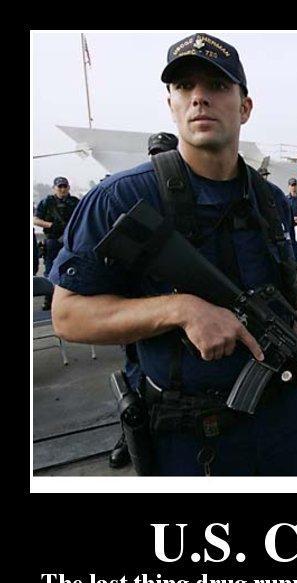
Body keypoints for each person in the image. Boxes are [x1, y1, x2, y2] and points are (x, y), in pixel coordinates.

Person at [49, 32, 297, 476]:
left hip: (283, 424)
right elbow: (67, 316)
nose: (199, 98)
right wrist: (180, 310)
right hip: (191, 438)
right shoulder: (121, 198)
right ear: (171, 103)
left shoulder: (270, 200)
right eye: (185, 86)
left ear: (245, 107)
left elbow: (292, 287)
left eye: (217, 85)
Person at [109, 131, 180, 469]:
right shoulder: (132, 195)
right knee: (135, 373)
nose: (157, 160)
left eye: (163, 154)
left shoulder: (184, 198)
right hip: (142, 303)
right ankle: (130, 435)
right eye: (154, 154)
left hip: (178, 297)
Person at [33, 177, 80, 308]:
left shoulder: (75, 202)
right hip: (53, 240)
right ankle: (49, 298)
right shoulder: (47, 202)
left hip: (71, 240)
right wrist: (51, 225)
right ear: (54, 188)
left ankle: (72, 298)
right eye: (60, 187)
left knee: (73, 269)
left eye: (65, 186)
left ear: (68, 187)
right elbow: (35, 220)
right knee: (50, 270)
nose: (62, 189)